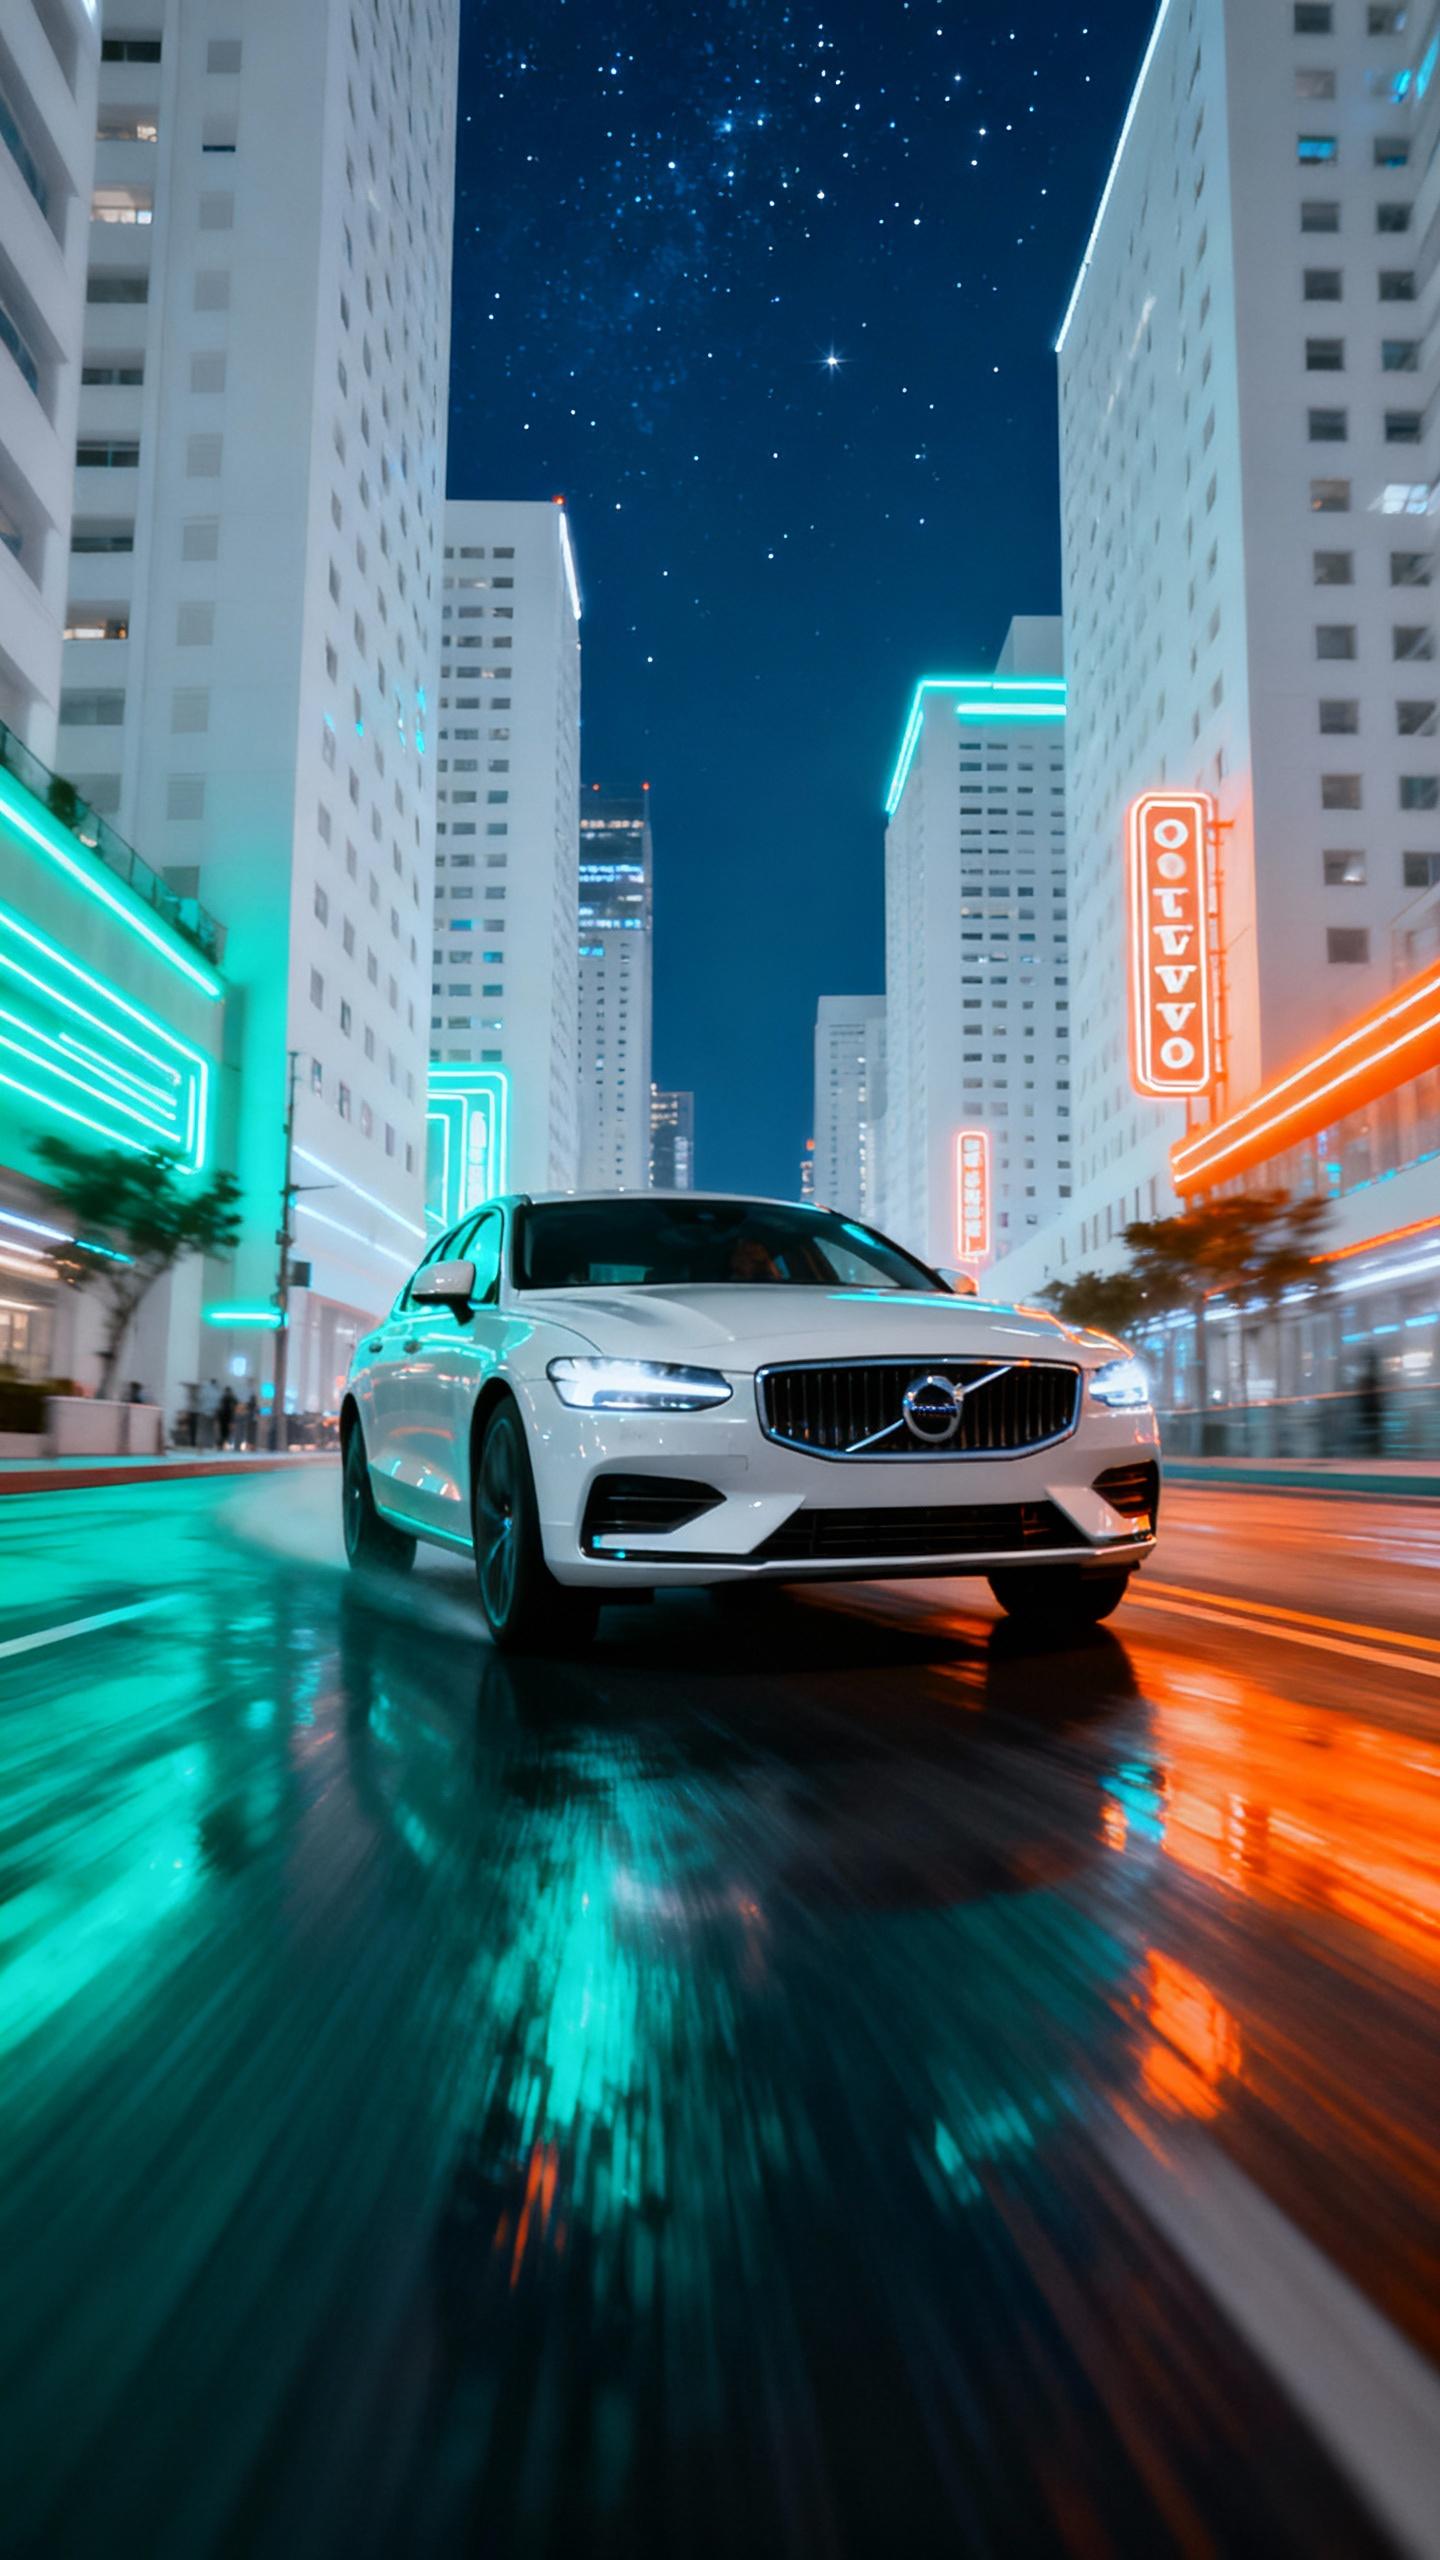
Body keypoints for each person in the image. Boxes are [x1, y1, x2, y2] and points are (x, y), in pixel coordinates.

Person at [197, 1376, 222, 1450]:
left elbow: (200, 1399)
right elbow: (218, 1403)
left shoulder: (204, 1389)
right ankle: (208, 1445)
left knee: (203, 1430)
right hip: (212, 1413)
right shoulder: (217, 1391)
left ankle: (201, 1445)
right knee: (210, 1430)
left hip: (204, 1412)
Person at [217, 1382, 237, 1449]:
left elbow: (220, 1407)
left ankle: (222, 1444)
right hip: (227, 1417)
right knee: (226, 1431)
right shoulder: (230, 1398)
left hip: (225, 1417)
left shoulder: (224, 1398)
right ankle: (223, 1444)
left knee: (224, 1431)